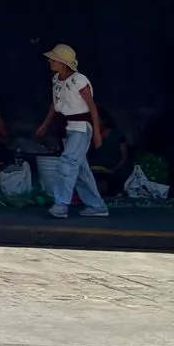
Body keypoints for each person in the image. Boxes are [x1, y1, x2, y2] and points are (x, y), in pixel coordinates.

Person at [35, 44, 108, 219]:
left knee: (67, 163)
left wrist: (97, 132)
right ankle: (96, 205)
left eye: (53, 59)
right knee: (81, 170)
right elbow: (55, 103)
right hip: (69, 128)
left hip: (82, 128)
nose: (50, 61)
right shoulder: (56, 79)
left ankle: (61, 204)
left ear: (62, 63)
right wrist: (45, 124)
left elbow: (92, 107)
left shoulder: (79, 80)